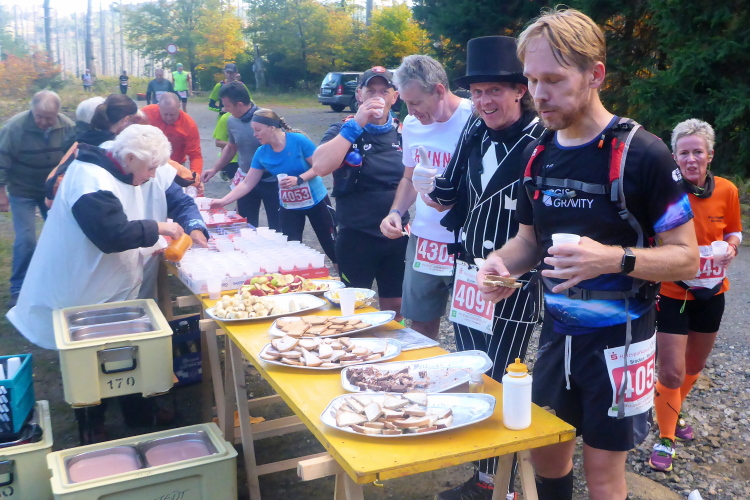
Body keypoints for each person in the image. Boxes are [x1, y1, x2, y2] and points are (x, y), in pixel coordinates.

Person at [475, 9, 700, 500]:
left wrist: (614, 260)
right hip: (557, 337)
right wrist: (500, 264)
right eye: (532, 80)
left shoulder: (644, 154)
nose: (538, 94)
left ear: (595, 75)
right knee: (546, 456)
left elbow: (688, 258)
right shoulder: (538, 155)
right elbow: (529, 241)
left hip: (622, 342)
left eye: (554, 80)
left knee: (602, 476)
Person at [412, 37, 544, 500]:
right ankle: (483, 472)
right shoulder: (473, 129)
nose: (485, 101)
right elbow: (449, 191)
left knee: (504, 375)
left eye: (495, 91)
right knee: (472, 370)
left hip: (514, 278)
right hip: (469, 271)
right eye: (478, 91)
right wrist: (427, 188)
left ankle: (498, 483)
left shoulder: (541, 139)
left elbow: (548, 221)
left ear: (519, 91)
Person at [6, 124, 184, 349]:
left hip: (98, 289)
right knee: (79, 346)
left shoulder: (120, 172)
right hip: (75, 287)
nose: (153, 175)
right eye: (151, 168)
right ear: (130, 158)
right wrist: (158, 228)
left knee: (103, 348)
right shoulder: (90, 181)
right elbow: (112, 234)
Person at [648, 119, 742, 473]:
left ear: (710, 155)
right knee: (671, 372)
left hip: (712, 292)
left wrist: (732, 247)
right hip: (672, 292)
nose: (691, 159)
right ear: (674, 157)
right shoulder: (665, 192)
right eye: (684, 153)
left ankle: (671, 409)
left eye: (697, 152)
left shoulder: (727, 190)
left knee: (694, 368)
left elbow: (734, 230)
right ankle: (665, 437)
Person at [378, 55, 473, 341]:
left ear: (439, 91)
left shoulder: (474, 118)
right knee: (420, 323)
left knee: (470, 327)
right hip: (425, 240)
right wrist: (396, 212)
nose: (411, 111)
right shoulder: (412, 123)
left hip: (466, 240)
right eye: (406, 103)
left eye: (416, 102)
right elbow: (409, 177)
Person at [312, 66, 407, 317]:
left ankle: (392, 341)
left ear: (394, 97)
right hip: (356, 235)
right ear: (359, 96)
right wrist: (356, 124)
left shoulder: (404, 132)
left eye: (383, 91)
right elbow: (319, 166)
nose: (377, 97)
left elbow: (414, 179)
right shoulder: (343, 129)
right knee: (352, 306)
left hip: (395, 235)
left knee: (396, 305)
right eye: (370, 91)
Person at [209, 109, 337, 262]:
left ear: (271, 127)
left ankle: (344, 276)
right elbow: (247, 183)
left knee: (332, 248)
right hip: (289, 206)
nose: (254, 134)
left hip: (316, 201)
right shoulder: (261, 152)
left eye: (258, 130)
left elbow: (320, 167)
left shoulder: (298, 140)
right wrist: (223, 201)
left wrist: (299, 179)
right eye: (253, 130)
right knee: (291, 252)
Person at [0, 90, 75, 307]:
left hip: (51, 191)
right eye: (39, 116)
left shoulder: (67, 126)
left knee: (61, 236)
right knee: (26, 240)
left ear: (57, 113)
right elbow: (2, 160)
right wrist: (1, 193)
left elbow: (73, 158)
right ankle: (18, 287)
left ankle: (56, 282)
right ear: (32, 110)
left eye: (49, 118)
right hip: (22, 190)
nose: (43, 122)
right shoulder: (15, 128)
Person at [201, 82, 280, 230]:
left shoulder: (266, 118)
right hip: (246, 179)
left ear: (239, 105)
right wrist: (214, 169)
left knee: (277, 226)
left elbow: (282, 146)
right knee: (245, 225)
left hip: (271, 180)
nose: (224, 109)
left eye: (227, 106)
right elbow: (231, 147)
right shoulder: (231, 120)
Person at [141, 93, 203, 179]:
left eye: (172, 114)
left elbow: (195, 155)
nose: (169, 118)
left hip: (175, 166)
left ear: (179, 106)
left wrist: (195, 177)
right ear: (159, 107)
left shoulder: (189, 125)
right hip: (147, 164)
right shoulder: (146, 113)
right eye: (165, 114)